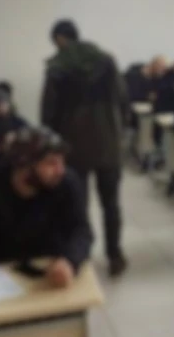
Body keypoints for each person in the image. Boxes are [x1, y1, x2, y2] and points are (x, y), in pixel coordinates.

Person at [0, 128, 91, 287]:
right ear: (24, 165)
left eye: (62, 162)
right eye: (51, 163)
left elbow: (81, 231)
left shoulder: (66, 184)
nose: (60, 170)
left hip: (48, 270)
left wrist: (70, 260)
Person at [40, 19, 128, 277]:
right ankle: (115, 255)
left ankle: (82, 255)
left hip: (73, 146)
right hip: (108, 142)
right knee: (111, 203)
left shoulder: (57, 67)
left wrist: (51, 146)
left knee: (78, 204)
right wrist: (119, 131)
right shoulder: (107, 61)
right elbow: (123, 99)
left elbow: (48, 112)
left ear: (59, 39)